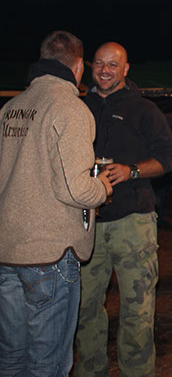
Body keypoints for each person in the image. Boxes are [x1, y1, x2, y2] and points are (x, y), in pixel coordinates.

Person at [0, 31, 112, 376]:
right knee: (47, 363)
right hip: (49, 254)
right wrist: (102, 188)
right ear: (78, 66)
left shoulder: (10, 108)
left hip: (7, 250)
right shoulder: (69, 108)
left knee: (11, 357)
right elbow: (74, 189)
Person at [75, 42, 172, 377]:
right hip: (87, 222)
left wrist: (131, 170)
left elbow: (169, 159)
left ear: (125, 69)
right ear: (90, 67)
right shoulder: (78, 107)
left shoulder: (144, 110)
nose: (105, 70)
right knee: (85, 309)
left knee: (138, 310)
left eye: (113, 65)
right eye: (99, 64)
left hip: (133, 222)